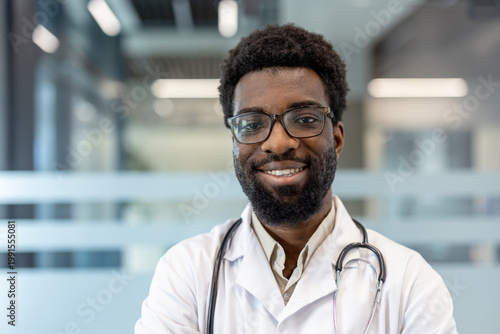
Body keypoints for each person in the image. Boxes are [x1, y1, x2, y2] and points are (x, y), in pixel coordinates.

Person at [135, 24, 457, 333]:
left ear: (338, 139)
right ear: (235, 143)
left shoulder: (410, 284)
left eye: (304, 119)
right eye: (252, 124)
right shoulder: (187, 274)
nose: (278, 143)